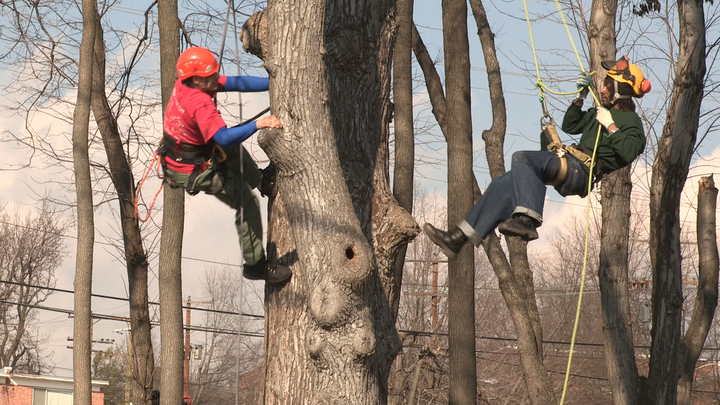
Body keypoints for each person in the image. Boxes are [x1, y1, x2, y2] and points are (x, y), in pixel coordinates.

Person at [423, 56, 651, 259]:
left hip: (581, 171)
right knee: (503, 183)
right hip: (569, 161)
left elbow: (629, 152)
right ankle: (458, 238)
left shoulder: (631, 123)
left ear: (621, 89)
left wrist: (610, 125)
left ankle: (527, 219)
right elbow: (570, 125)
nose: (602, 90)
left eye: (608, 86)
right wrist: (580, 98)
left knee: (523, 158)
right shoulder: (599, 112)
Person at [160, 46, 291, 283]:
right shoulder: (199, 102)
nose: (216, 80)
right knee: (246, 201)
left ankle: (263, 182)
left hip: (189, 154)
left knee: (230, 144)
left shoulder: (189, 83)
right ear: (197, 79)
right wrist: (258, 124)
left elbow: (237, 83)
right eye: (210, 77)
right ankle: (255, 265)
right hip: (189, 170)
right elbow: (222, 138)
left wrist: (273, 84)